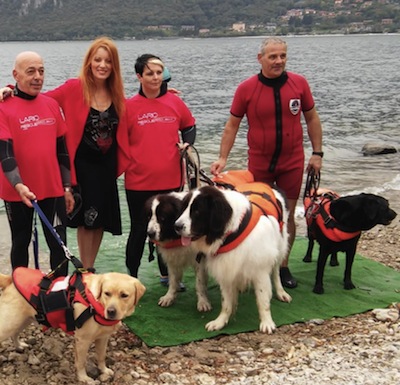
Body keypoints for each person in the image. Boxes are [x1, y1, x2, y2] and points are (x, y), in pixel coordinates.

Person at [210, 37, 323, 289]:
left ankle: (282, 267)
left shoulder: (299, 83)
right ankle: (257, 264)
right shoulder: (246, 89)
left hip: (292, 160)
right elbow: (232, 125)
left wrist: (317, 153)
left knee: (288, 213)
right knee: (260, 215)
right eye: (273, 56)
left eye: (282, 55)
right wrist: (222, 158)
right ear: (260, 58)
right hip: (260, 162)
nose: (278, 61)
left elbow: (312, 118)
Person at [42, 37, 129, 270]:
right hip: (82, 165)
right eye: (97, 59)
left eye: (108, 61)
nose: (102, 65)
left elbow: (134, 113)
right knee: (85, 219)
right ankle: (84, 269)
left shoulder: (117, 93)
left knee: (99, 219)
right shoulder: (74, 87)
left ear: (114, 66)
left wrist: (157, 92)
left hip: (106, 166)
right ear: (89, 62)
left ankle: (89, 267)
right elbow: (42, 99)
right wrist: (11, 91)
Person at [124, 54, 196, 286]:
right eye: (149, 73)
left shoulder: (175, 102)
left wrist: (187, 143)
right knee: (138, 230)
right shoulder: (128, 106)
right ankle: (131, 278)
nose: (155, 78)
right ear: (139, 76)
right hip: (138, 181)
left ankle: (169, 276)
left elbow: (189, 126)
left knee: (170, 229)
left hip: (171, 178)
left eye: (159, 73)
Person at [0, 51, 74, 275]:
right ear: (16, 75)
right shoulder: (4, 107)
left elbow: (62, 151)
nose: (37, 77)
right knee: (20, 242)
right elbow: (5, 153)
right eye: (30, 71)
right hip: (17, 192)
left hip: (52, 190)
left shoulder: (51, 105)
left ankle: (60, 294)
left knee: (58, 244)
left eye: (41, 71)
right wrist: (19, 185)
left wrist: (67, 187)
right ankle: (20, 293)